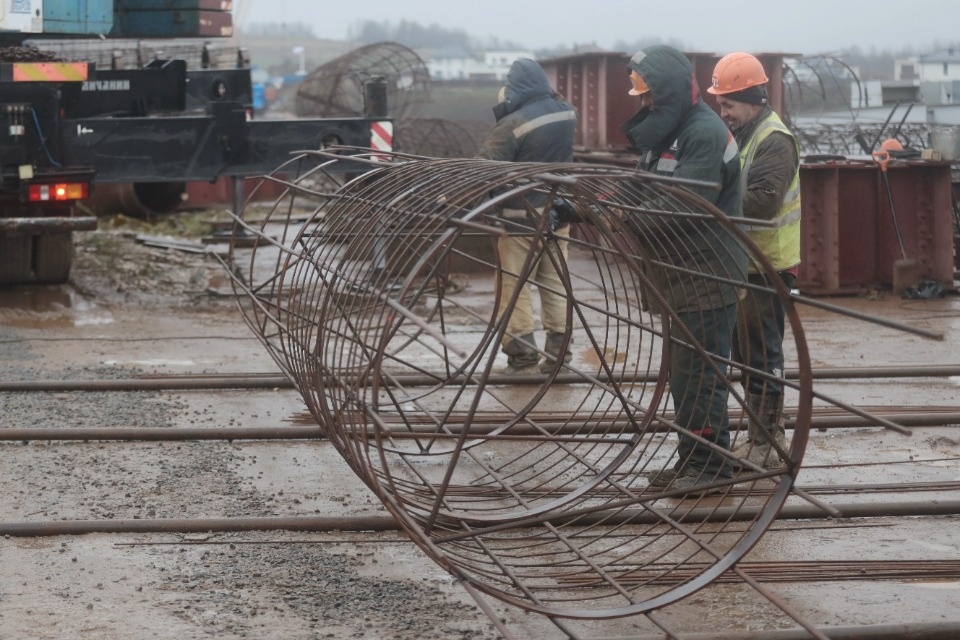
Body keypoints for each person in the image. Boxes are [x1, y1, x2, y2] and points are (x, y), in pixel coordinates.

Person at [619, 45, 747, 494]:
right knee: (684, 378)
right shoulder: (669, 134)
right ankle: (693, 460)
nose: (643, 104)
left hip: (707, 277)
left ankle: (710, 471)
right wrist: (586, 206)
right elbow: (639, 190)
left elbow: (682, 206)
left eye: (648, 94)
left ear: (668, 92)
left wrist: (616, 216)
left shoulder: (703, 135)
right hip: (680, 278)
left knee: (702, 379)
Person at [707, 52, 801, 469]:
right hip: (742, 261)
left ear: (751, 98)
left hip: (766, 265)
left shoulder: (774, 140)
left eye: (727, 104)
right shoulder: (745, 133)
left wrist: (710, 200)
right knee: (746, 357)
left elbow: (762, 202)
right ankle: (759, 436)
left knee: (763, 357)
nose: (721, 112)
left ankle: (770, 443)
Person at [477, 58, 578, 374]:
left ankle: (522, 356)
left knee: (514, 287)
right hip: (558, 216)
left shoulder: (513, 125)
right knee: (555, 285)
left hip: (521, 220)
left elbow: (484, 169)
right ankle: (559, 355)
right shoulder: (566, 112)